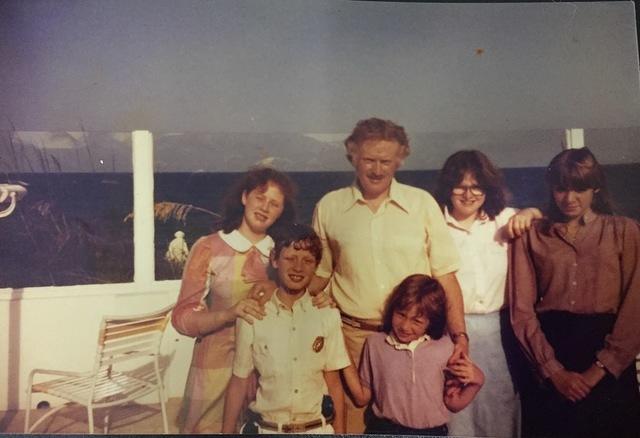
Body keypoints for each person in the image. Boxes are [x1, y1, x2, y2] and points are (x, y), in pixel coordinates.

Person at [310, 117, 467, 432]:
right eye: (368, 159)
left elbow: (446, 277)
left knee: (411, 423)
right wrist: (269, 290)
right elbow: (318, 276)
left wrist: (460, 336)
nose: (377, 169)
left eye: (385, 161)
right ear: (351, 155)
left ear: (401, 158)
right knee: (353, 423)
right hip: (353, 337)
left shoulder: (421, 204)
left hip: (416, 342)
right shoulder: (329, 207)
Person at [509, 148, 640, 437]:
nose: (570, 199)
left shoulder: (625, 231)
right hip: (550, 353)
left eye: (579, 189)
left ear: (595, 187)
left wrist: (600, 368)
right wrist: (553, 371)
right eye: (561, 189)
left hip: (608, 357)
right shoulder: (531, 234)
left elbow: (636, 307)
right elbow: (521, 311)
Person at [171, 166, 297, 433]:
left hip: (264, 370)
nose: (265, 207)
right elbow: (181, 318)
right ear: (244, 197)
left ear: (281, 212)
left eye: (274, 204)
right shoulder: (207, 247)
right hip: (214, 368)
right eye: (260, 197)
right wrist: (227, 314)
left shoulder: (283, 253)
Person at [434, 150, 541, 437]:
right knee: (457, 410)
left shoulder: (503, 219)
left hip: (499, 332)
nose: (468, 194)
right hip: (451, 333)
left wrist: (530, 213)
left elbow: (540, 217)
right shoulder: (433, 224)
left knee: (501, 408)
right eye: (460, 185)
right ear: (448, 187)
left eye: (476, 185)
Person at [222, 223, 351, 434]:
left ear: (316, 266)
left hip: (316, 429)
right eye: (290, 258)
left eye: (308, 261)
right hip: (268, 429)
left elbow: (334, 383)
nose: (298, 268)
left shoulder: (327, 314)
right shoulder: (253, 316)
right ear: (274, 260)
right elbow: (239, 382)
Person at [342, 274, 484, 435]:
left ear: (431, 321)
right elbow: (362, 397)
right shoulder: (375, 344)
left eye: (416, 321)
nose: (405, 326)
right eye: (401, 315)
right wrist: (340, 348)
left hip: (431, 432)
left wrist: (477, 381)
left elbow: (453, 402)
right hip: (384, 430)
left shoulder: (445, 348)